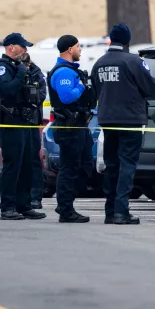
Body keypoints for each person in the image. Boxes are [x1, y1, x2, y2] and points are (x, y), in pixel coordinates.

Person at [91, 24, 155, 225]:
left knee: (111, 165)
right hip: (130, 121)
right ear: (127, 40)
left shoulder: (99, 63)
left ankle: (110, 212)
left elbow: (95, 90)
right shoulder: (133, 61)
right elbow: (150, 87)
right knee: (127, 165)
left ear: (111, 39)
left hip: (107, 120)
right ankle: (122, 211)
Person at [0, 32, 47, 221]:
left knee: (27, 164)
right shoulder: (2, 67)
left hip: (26, 122)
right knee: (13, 165)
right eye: (22, 47)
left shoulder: (21, 67)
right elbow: (7, 90)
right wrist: (21, 73)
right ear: (11, 47)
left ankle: (23, 205)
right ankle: (7, 206)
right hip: (10, 122)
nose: (25, 50)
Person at [48, 35, 97, 223]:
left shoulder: (72, 71)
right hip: (69, 127)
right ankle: (66, 209)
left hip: (79, 126)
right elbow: (67, 97)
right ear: (70, 49)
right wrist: (82, 87)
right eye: (78, 46)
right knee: (69, 168)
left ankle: (65, 202)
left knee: (84, 166)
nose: (80, 50)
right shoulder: (63, 73)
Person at [22, 50, 49, 209]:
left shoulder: (37, 75)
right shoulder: (13, 72)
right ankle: (17, 196)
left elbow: (40, 96)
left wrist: (26, 96)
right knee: (16, 161)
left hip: (31, 122)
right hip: (15, 122)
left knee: (33, 160)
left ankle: (35, 197)